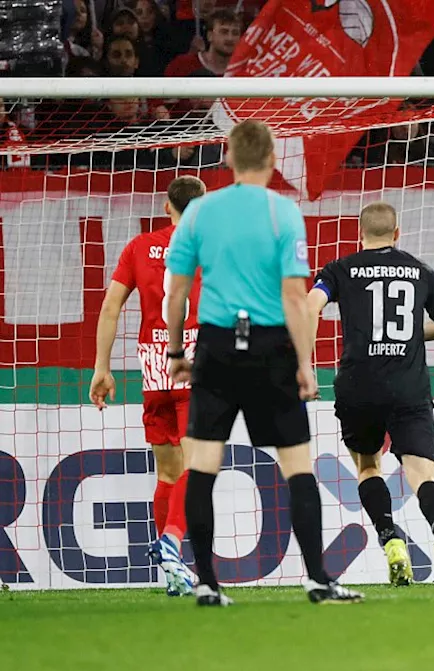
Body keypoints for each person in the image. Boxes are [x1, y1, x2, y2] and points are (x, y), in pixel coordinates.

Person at [165, 120, 362, 607]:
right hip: (271, 346)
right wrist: (304, 363)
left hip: (215, 345)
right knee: (297, 465)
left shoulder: (199, 213)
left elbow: (177, 290)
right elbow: (295, 296)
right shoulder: (283, 213)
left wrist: (176, 351)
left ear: (228, 157)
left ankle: (208, 584)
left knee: (203, 465)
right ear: (273, 159)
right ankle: (317, 579)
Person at [307, 202, 434, 592]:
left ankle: (390, 539)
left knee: (368, 467)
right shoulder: (418, 269)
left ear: (359, 234)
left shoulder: (341, 269)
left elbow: (311, 303)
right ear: (397, 234)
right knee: (422, 474)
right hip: (408, 387)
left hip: (358, 386)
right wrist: (412, 334)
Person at [90, 175, 207, 597]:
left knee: (168, 473)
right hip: (193, 364)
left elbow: (110, 306)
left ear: (166, 206)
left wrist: (102, 367)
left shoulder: (140, 247)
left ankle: (172, 573)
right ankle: (173, 542)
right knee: (198, 465)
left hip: (154, 369)